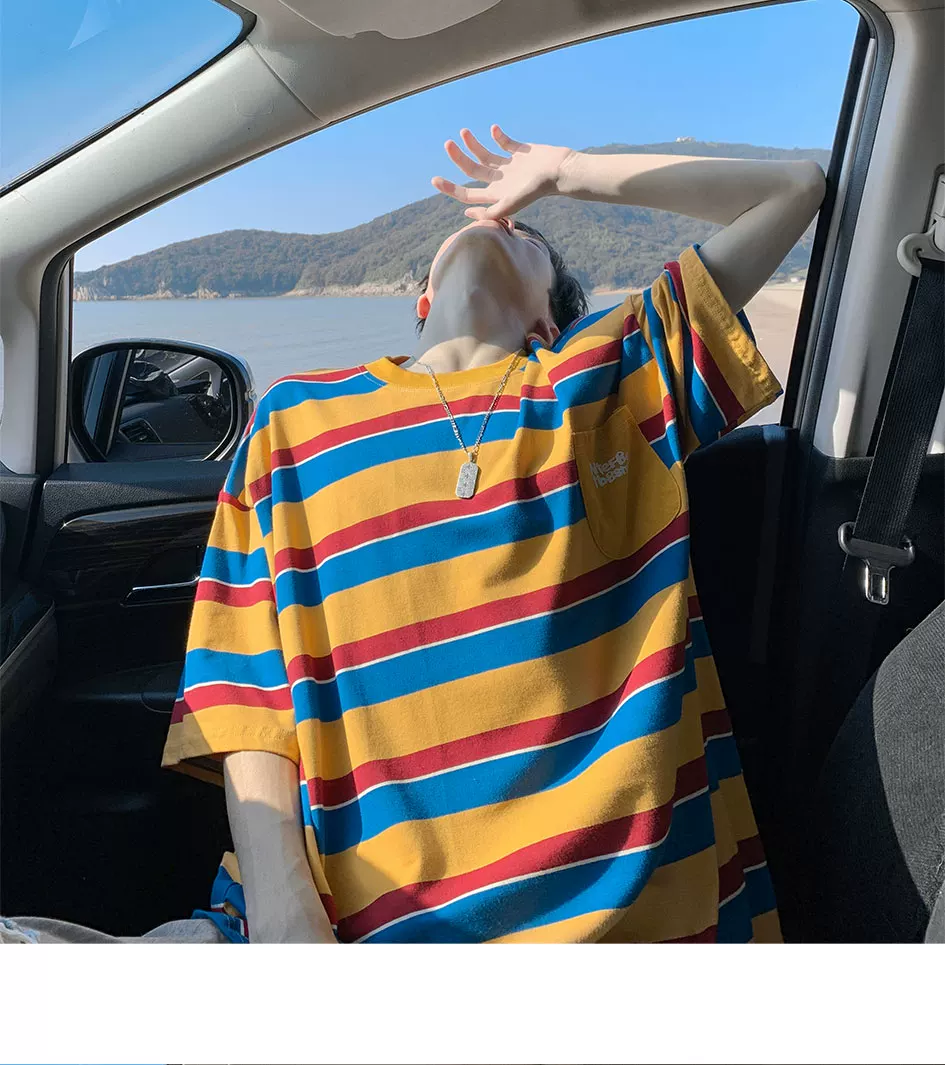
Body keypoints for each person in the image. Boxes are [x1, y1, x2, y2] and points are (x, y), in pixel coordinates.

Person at [3, 125, 825, 945]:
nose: (501, 221)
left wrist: (563, 170)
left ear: (547, 322)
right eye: (491, 221)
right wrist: (285, 909)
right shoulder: (294, 418)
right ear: (422, 301)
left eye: (528, 236)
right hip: (323, 925)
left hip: (611, 928)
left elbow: (791, 190)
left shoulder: (605, 380)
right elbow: (244, 684)